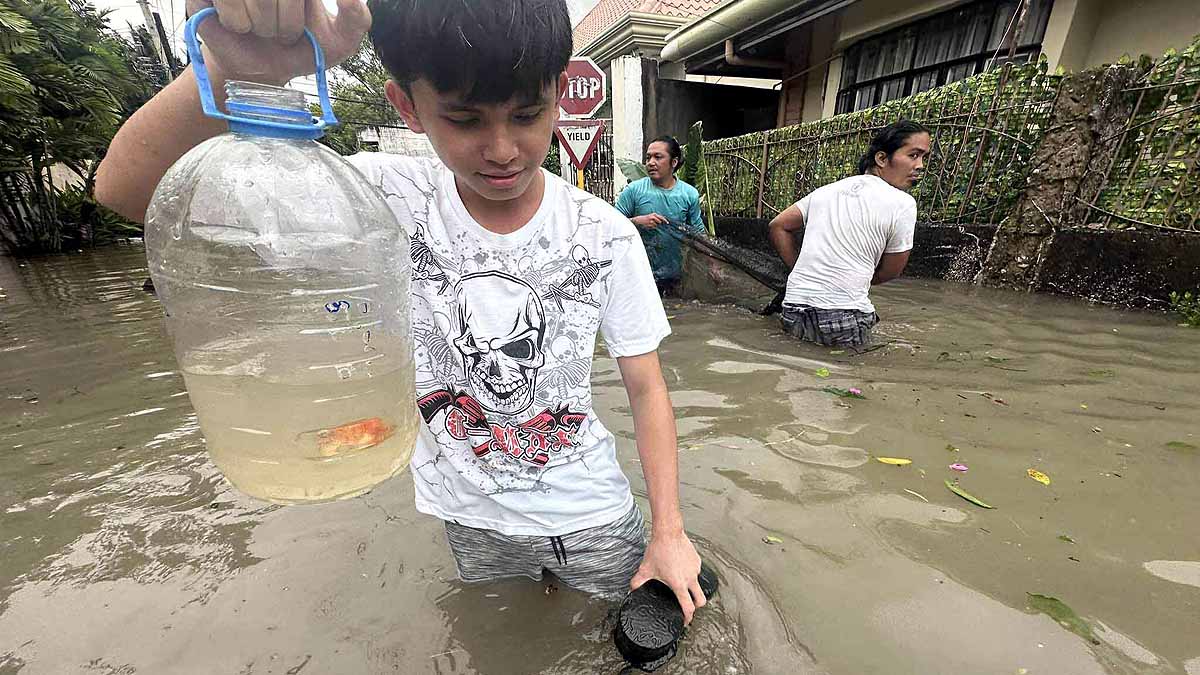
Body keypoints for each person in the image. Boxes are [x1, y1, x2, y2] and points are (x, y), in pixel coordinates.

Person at [95, 0, 707, 623]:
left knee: (642, 640)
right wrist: (238, 69)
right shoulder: (380, 197)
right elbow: (126, 191)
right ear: (408, 107)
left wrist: (669, 531)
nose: (502, 149)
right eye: (465, 119)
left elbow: (647, 388)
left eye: (526, 115)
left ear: (557, 96)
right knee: (503, 637)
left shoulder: (604, 235)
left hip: (591, 515)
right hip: (468, 519)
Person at [767, 120, 930, 347]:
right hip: (843, 313)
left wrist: (801, 271)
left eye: (924, 157)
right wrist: (854, 280)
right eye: (914, 155)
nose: (921, 165)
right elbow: (892, 271)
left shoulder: (827, 191)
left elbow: (778, 225)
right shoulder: (903, 203)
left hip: (793, 306)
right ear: (882, 159)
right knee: (848, 379)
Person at [615, 136, 705, 295]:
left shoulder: (689, 194)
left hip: (676, 277)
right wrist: (637, 222)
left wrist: (714, 267)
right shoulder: (633, 191)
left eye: (658, 157)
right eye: (648, 157)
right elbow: (612, 226)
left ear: (674, 162)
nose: (650, 162)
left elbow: (699, 235)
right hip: (639, 277)